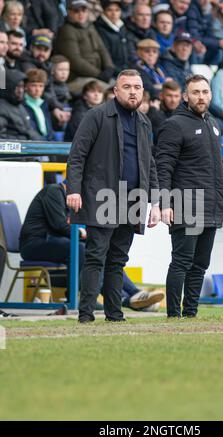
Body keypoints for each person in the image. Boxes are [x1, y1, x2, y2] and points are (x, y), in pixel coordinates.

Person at [66, 69, 161, 323]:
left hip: (133, 200)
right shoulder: (96, 115)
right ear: (115, 91)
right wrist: (74, 189)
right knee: (96, 256)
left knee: (118, 260)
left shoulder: (144, 122)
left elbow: (149, 164)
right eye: (127, 86)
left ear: (143, 92)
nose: (132, 91)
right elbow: (77, 155)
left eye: (137, 87)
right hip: (102, 196)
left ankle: (114, 314)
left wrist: (156, 202)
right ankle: (86, 314)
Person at [19, 181, 164, 310]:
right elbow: (60, 225)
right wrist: (84, 233)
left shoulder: (68, 198)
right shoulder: (53, 191)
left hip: (56, 243)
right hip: (34, 244)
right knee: (83, 250)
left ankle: (134, 294)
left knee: (101, 251)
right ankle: (109, 298)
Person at [156, 74, 223, 318]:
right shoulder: (174, 124)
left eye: (205, 92)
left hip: (211, 206)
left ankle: (191, 314)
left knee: (200, 265)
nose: (201, 96)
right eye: (195, 92)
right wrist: (165, 203)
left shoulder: (214, 123)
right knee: (182, 262)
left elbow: (219, 166)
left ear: (210, 94)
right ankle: (173, 315)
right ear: (185, 97)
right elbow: (163, 167)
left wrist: (222, 199)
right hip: (187, 205)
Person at [55, 0, 115, 95]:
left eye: (84, 10)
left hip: (96, 75)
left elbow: (102, 49)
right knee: (109, 93)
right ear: (69, 12)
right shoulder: (66, 30)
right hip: (77, 78)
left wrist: (109, 67)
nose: (81, 14)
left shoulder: (90, 26)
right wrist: (99, 74)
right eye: (76, 11)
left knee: (121, 88)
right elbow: (75, 60)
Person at [0, 69, 42, 140]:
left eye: (22, 86)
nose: (20, 91)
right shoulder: (2, 108)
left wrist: (42, 143)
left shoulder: (20, 106)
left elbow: (29, 131)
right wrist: (24, 140)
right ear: (8, 87)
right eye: (17, 87)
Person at [94, 0, 129, 74]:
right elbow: (104, 57)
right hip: (111, 71)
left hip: (125, 68)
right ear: (103, 11)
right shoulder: (98, 28)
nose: (114, 13)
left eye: (117, 10)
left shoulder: (122, 26)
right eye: (110, 10)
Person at [147, 79, 182, 145]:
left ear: (181, 97)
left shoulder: (184, 114)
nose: (173, 100)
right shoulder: (154, 113)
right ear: (161, 96)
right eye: (169, 96)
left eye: (176, 96)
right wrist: (153, 112)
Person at [24, 68, 54, 141]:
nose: (37, 90)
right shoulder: (22, 104)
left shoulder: (43, 104)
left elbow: (48, 129)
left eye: (41, 86)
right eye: (34, 85)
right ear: (26, 86)